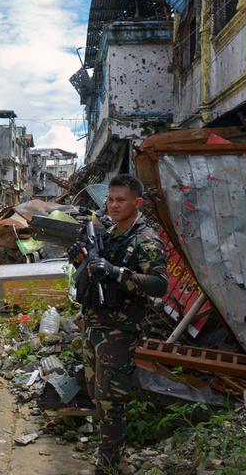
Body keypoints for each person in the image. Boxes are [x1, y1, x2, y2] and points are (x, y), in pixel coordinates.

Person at [67, 174, 167, 474]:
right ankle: (113, 457)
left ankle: (109, 464)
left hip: (120, 331)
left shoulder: (145, 240)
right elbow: (95, 275)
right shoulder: (108, 234)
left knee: (112, 400)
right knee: (97, 395)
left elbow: (160, 285)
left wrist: (118, 273)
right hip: (94, 325)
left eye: (121, 200)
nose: (113, 205)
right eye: (110, 199)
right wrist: (82, 262)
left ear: (137, 202)